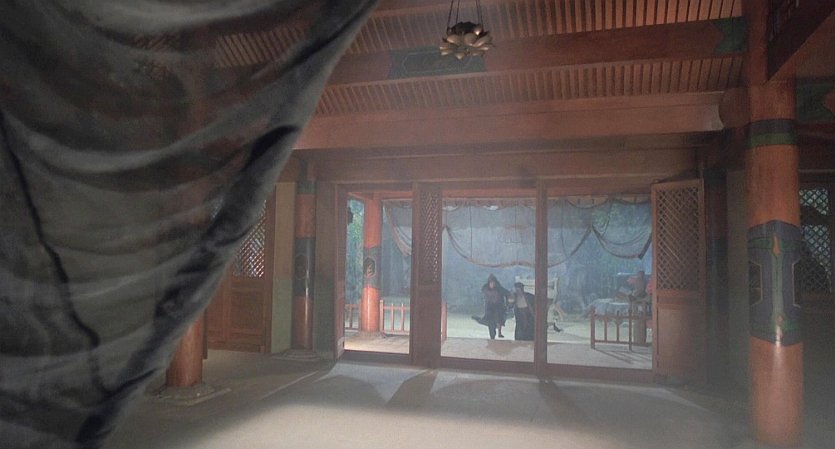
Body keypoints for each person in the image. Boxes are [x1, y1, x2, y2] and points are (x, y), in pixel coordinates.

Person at [472, 274, 509, 339]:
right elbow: (484, 295)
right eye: (491, 283)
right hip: (490, 309)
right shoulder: (486, 289)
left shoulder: (500, 289)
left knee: (499, 320)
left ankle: (499, 333)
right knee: (491, 323)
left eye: (493, 283)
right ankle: (492, 336)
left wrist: (507, 304)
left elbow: (507, 293)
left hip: (498, 308)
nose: (492, 284)